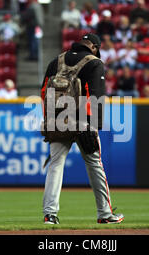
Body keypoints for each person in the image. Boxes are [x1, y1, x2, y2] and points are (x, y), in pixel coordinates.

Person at [40, 33, 124, 224]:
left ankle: (49, 215)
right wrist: (94, 125)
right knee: (94, 165)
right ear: (94, 47)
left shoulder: (57, 60)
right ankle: (104, 214)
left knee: (55, 165)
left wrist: (49, 120)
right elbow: (95, 96)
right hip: (82, 121)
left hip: (57, 120)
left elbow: (44, 91)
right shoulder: (94, 62)